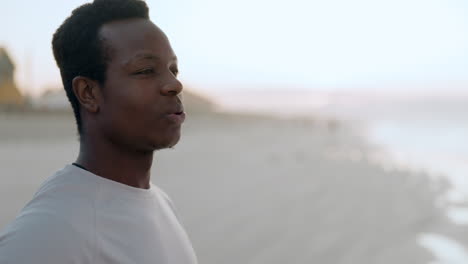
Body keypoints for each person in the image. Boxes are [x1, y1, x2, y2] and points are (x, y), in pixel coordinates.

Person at [0, 0, 198, 263]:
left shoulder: (160, 201)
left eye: (173, 69)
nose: (175, 84)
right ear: (89, 93)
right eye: (146, 70)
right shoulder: (48, 233)